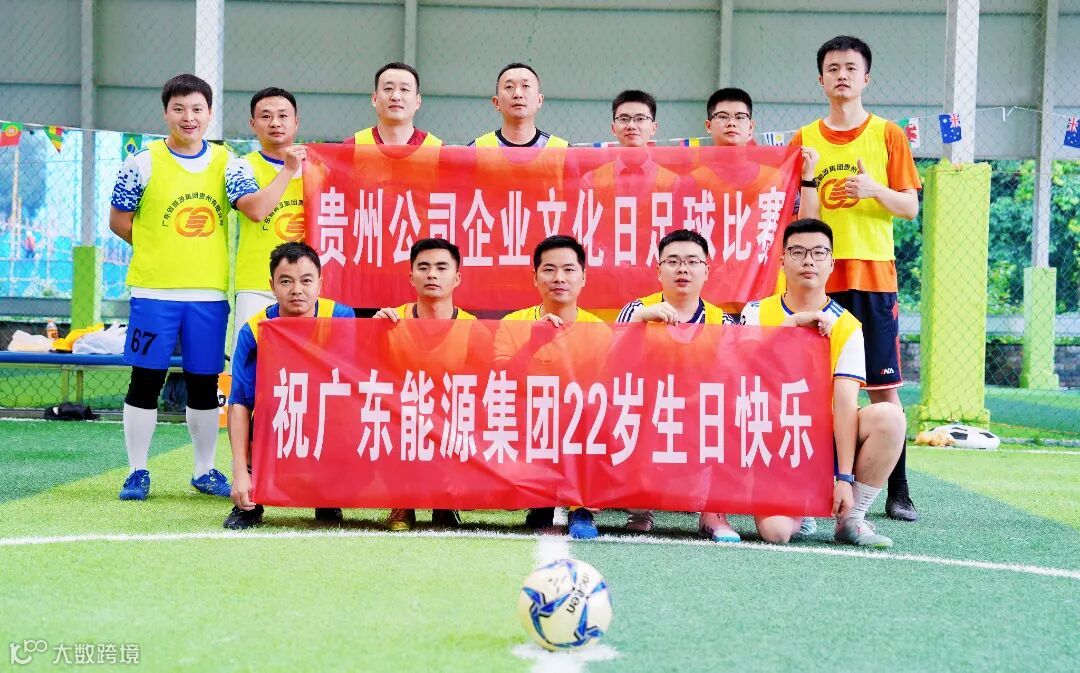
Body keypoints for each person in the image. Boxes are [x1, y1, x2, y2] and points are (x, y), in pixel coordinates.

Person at [791, 36, 922, 521]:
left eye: (850, 67)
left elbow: (909, 206)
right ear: (820, 79)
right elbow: (801, 219)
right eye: (833, 68)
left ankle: (898, 489)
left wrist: (873, 188)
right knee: (813, 386)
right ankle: (807, 486)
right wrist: (811, 183)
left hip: (872, 276)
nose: (842, 75)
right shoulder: (803, 138)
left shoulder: (889, 134)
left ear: (866, 77)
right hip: (817, 278)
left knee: (884, 389)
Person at [742, 218, 905, 547]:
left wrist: (843, 477)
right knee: (776, 533)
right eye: (798, 252)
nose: (808, 261)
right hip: (774, 439)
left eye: (819, 253)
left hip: (823, 438)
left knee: (890, 417)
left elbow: (844, 405)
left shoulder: (847, 326)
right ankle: (803, 507)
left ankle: (852, 517)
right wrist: (791, 327)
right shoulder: (755, 313)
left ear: (831, 263)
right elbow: (746, 376)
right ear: (782, 260)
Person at [109, 73, 232, 501]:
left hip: (208, 295)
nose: (188, 117)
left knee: (204, 383)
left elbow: (252, 206)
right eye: (179, 109)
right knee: (145, 381)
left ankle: (204, 470)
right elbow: (119, 221)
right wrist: (160, 248)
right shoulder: (140, 163)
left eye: (197, 109)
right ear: (166, 113)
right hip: (153, 293)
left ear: (210, 114)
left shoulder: (227, 163)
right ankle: (137, 472)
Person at [614, 229, 740, 542]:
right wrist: (638, 322)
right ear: (659, 271)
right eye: (673, 261)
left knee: (733, 412)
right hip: (648, 413)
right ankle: (640, 508)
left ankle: (713, 512)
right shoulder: (636, 310)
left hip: (701, 417)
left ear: (706, 271)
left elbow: (733, 379)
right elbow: (610, 367)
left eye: (692, 262)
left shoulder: (722, 321)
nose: (682, 269)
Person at [224, 242, 356, 529]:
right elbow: (240, 404)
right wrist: (239, 473)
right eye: (286, 281)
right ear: (272, 285)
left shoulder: (341, 318)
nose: (297, 290)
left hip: (326, 416)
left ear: (320, 284)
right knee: (259, 414)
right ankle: (250, 500)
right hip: (280, 417)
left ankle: (328, 494)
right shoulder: (255, 330)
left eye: (306, 281)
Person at [495, 235, 610, 535]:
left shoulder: (599, 331)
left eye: (569, 270)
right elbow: (500, 381)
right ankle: (540, 499)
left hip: (577, 427)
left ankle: (581, 507)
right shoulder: (513, 323)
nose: (559, 278)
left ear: (583, 277)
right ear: (535, 277)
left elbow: (607, 393)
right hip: (529, 423)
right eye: (549, 269)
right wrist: (531, 345)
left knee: (591, 412)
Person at [372, 238, 479, 532]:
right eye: (424, 267)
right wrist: (372, 333)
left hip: (451, 418)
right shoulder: (390, 321)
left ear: (457, 277)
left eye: (442, 267)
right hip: (404, 416)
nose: (432, 274)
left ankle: (445, 501)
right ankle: (402, 500)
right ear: (411, 277)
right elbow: (364, 374)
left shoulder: (474, 328)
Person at [226, 87, 307, 333]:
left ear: (296, 122)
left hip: (308, 286)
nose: (275, 123)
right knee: (252, 354)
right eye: (266, 116)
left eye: (283, 116)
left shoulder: (320, 166)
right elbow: (256, 210)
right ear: (253, 124)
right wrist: (288, 170)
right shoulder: (241, 166)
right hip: (257, 285)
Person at [471, 63, 568, 148]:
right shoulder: (478, 149)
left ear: (539, 100)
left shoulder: (561, 151)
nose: (517, 94)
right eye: (509, 87)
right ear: (496, 102)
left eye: (525, 86)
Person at [345, 62, 441, 147]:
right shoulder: (352, 147)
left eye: (404, 89)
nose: (395, 96)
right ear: (374, 98)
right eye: (388, 88)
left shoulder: (437, 151)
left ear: (418, 101)